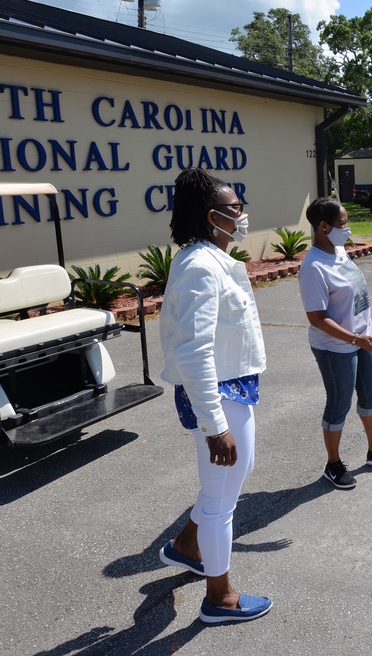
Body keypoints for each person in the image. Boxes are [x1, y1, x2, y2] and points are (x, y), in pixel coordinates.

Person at [155, 168, 272, 623]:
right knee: (223, 499)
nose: (242, 215)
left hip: (232, 387)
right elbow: (195, 350)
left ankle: (186, 546)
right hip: (218, 395)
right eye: (235, 208)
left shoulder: (210, 260)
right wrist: (215, 427)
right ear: (213, 217)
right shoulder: (200, 267)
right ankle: (219, 598)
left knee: (230, 480)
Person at [298, 197, 372, 489]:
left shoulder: (340, 251)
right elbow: (317, 318)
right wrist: (355, 338)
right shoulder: (313, 267)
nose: (347, 229)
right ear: (323, 227)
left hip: (362, 339)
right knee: (339, 403)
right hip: (335, 347)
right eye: (342, 224)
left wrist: (362, 336)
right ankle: (332, 464)